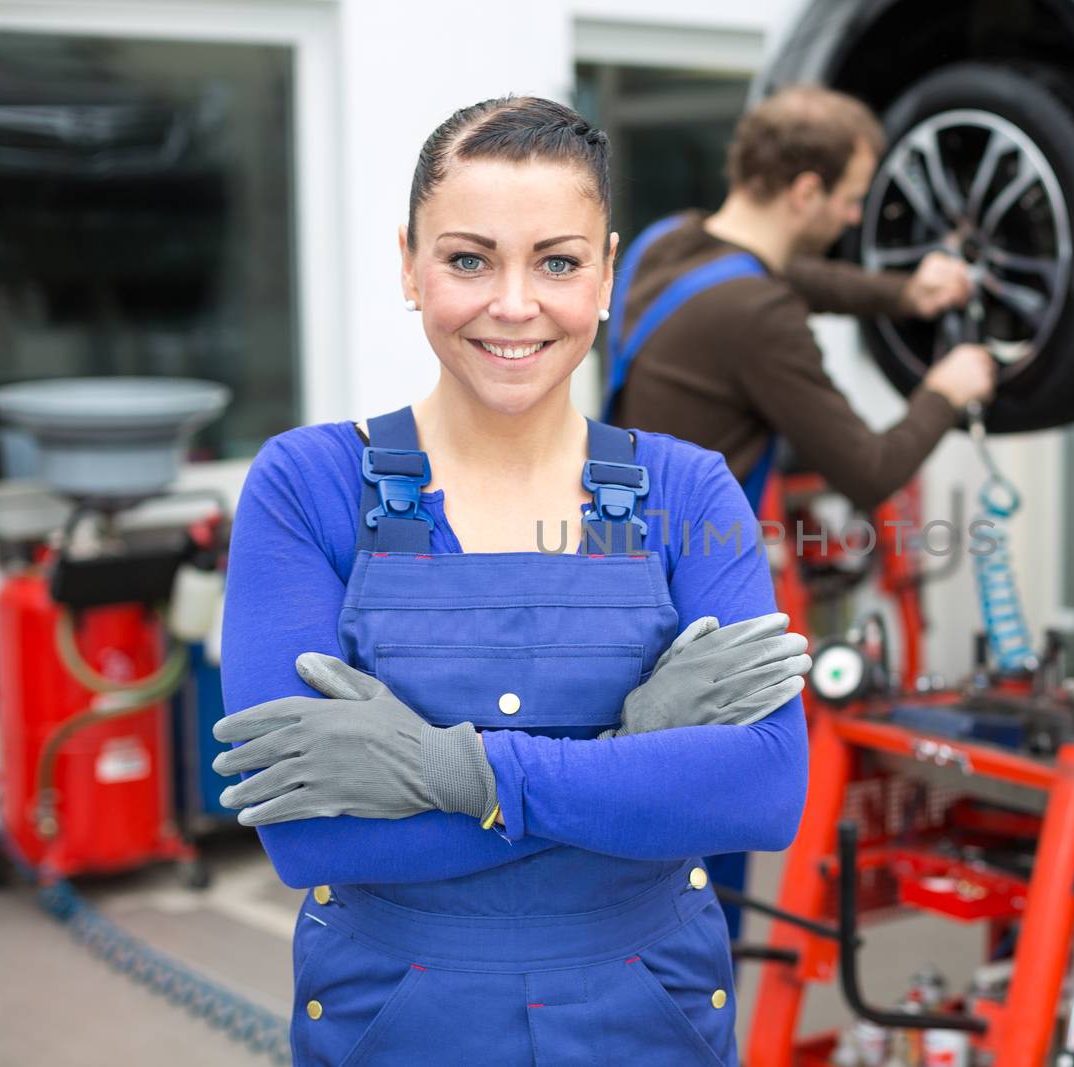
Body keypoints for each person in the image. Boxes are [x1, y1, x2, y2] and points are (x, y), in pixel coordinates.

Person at [214, 97, 810, 1066]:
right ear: (409, 262)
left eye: (557, 261)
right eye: (468, 258)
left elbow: (763, 791)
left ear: (607, 271)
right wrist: (634, 755)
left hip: (649, 1019)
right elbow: (311, 836)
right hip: (394, 1025)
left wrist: (462, 773)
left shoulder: (687, 489)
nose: (515, 302)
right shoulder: (305, 485)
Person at [604, 84, 998, 514]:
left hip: (619, 536)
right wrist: (945, 392)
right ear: (807, 193)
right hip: (687, 569)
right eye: (851, 199)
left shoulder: (665, 242)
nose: (855, 217)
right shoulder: (760, 315)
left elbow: (794, 275)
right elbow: (871, 472)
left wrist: (906, 293)